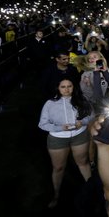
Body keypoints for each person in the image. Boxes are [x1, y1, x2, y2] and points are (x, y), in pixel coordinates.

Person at [38, 79, 93, 208]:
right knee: (58, 168)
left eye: (69, 86)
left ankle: (93, 193)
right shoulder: (50, 104)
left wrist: (83, 122)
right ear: (58, 88)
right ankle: (56, 195)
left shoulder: (81, 99)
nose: (66, 89)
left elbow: (91, 115)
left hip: (80, 135)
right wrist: (60, 128)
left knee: (83, 163)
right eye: (63, 86)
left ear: (74, 87)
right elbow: (42, 124)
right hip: (58, 138)